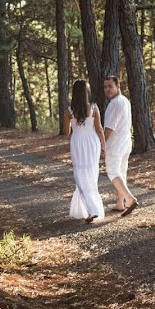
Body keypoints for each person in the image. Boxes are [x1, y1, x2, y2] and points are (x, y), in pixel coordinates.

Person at [66, 80, 106, 223]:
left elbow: (66, 132)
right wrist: (104, 146)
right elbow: (99, 129)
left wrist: (73, 123)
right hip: (92, 142)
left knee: (79, 175)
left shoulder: (69, 110)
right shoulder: (94, 108)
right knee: (91, 173)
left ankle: (91, 210)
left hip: (77, 143)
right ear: (86, 92)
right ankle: (91, 209)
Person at [103, 75, 138, 216]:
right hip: (125, 143)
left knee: (112, 172)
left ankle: (129, 199)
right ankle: (120, 203)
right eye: (105, 87)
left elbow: (109, 129)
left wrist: (101, 145)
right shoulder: (125, 101)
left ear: (118, 86)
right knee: (121, 172)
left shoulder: (115, 104)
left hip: (115, 144)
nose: (107, 89)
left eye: (110, 86)